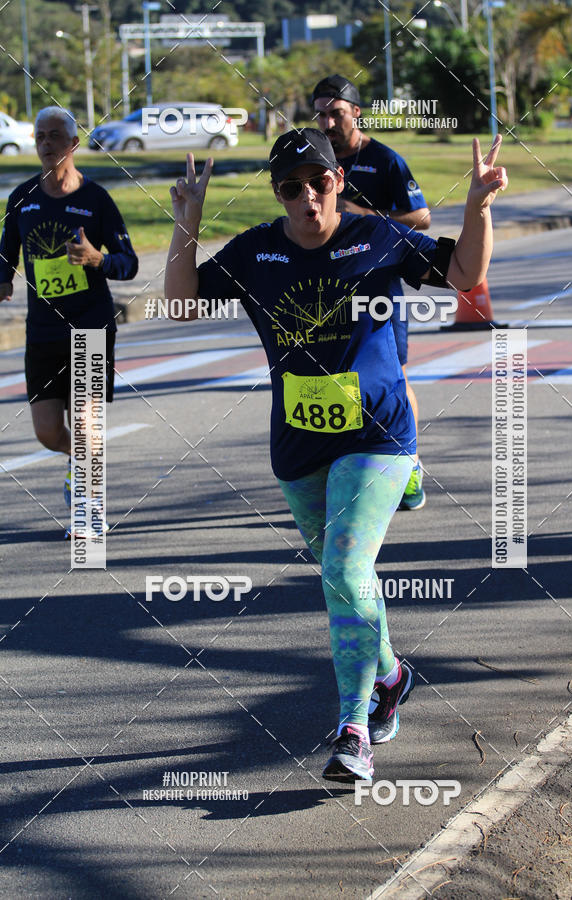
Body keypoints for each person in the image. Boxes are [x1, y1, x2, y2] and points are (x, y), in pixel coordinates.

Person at [164, 128, 507, 781]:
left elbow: (465, 274)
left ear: (337, 183)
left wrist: (478, 208)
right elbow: (180, 304)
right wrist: (188, 224)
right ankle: (394, 676)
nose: (307, 198)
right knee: (346, 581)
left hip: (378, 438)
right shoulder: (257, 250)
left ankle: (354, 728)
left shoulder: (375, 238)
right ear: (280, 194)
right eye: (291, 188)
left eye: (318, 183)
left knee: (346, 571)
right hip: (298, 447)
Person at [0, 106, 138, 536]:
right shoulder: (21, 197)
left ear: (73, 143)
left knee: (85, 421)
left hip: (91, 324)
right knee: (46, 432)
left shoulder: (96, 200)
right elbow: (6, 252)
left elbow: (128, 263)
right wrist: (2, 280)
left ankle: (89, 509)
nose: (44, 144)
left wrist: (97, 258)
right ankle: (81, 461)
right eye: (39, 136)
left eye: (54, 136)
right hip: (42, 330)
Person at [313, 74, 431, 511]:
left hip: (377, 290)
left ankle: (410, 465)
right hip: (327, 295)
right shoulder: (315, 157)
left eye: (336, 113)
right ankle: (344, 476)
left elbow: (421, 218)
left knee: (394, 378)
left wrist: (361, 213)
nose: (327, 122)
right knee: (335, 385)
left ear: (356, 112)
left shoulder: (384, 159)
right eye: (320, 113)